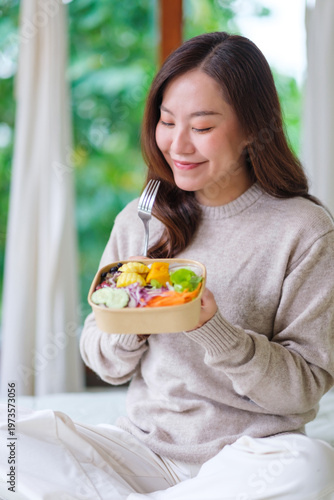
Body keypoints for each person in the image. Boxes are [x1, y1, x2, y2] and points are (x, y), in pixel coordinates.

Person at [1, 31, 334, 500]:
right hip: (142, 452)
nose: (177, 144)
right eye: (166, 120)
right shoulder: (140, 220)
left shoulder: (304, 229)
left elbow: (306, 388)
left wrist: (215, 330)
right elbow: (103, 358)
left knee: (314, 466)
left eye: (201, 127)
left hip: (249, 458)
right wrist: (135, 315)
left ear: (253, 130)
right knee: (7, 440)